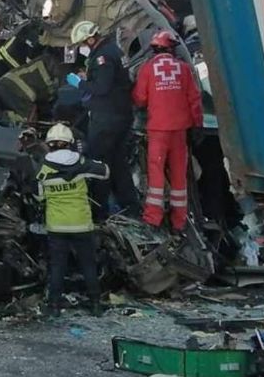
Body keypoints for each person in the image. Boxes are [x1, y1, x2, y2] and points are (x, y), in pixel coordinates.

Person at [68, 20, 139, 221]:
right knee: (118, 163)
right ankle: (130, 207)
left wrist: (80, 83)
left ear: (91, 39)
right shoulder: (113, 50)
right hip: (121, 116)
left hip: (107, 119)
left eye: (82, 43)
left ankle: (99, 211)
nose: (82, 48)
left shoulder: (103, 57)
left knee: (99, 163)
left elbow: (102, 88)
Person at [36, 124, 109, 318]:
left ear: (49, 145)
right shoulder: (82, 163)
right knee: (88, 264)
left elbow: (39, 197)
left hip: (56, 226)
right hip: (81, 224)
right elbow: (106, 171)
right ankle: (95, 305)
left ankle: (53, 307)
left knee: (58, 266)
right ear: (70, 144)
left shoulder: (42, 169)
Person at [133, 31, 203, 233]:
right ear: (171, 48)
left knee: (156, 173)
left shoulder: (147, 69)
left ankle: (153, 218)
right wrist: (197, 124)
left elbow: (140, 98)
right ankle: (179, 221)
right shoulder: (183, 69)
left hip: (158, 130)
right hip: (180, 130)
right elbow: (194, 98)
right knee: (179, 174)